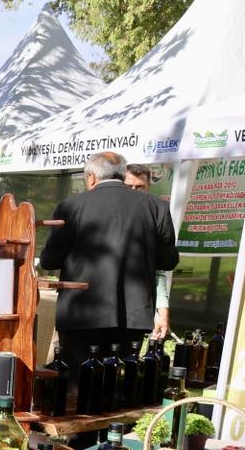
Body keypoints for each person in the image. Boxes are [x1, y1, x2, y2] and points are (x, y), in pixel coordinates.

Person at [39, 151, 179, 377]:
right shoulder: (157, 208)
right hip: (132, 316)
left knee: (76, 387)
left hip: (81, 311)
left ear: (91, 177)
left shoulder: (71, 206)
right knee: (114, 386)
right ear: (123, 175)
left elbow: (50, 260)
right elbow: (167, 261)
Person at [125, 162, 173, 340]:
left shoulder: (156, 214)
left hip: (135, 311)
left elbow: (158, 270)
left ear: (148, 187)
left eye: (140, 187)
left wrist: (162, 311)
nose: (134, 191)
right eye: (129, 186)